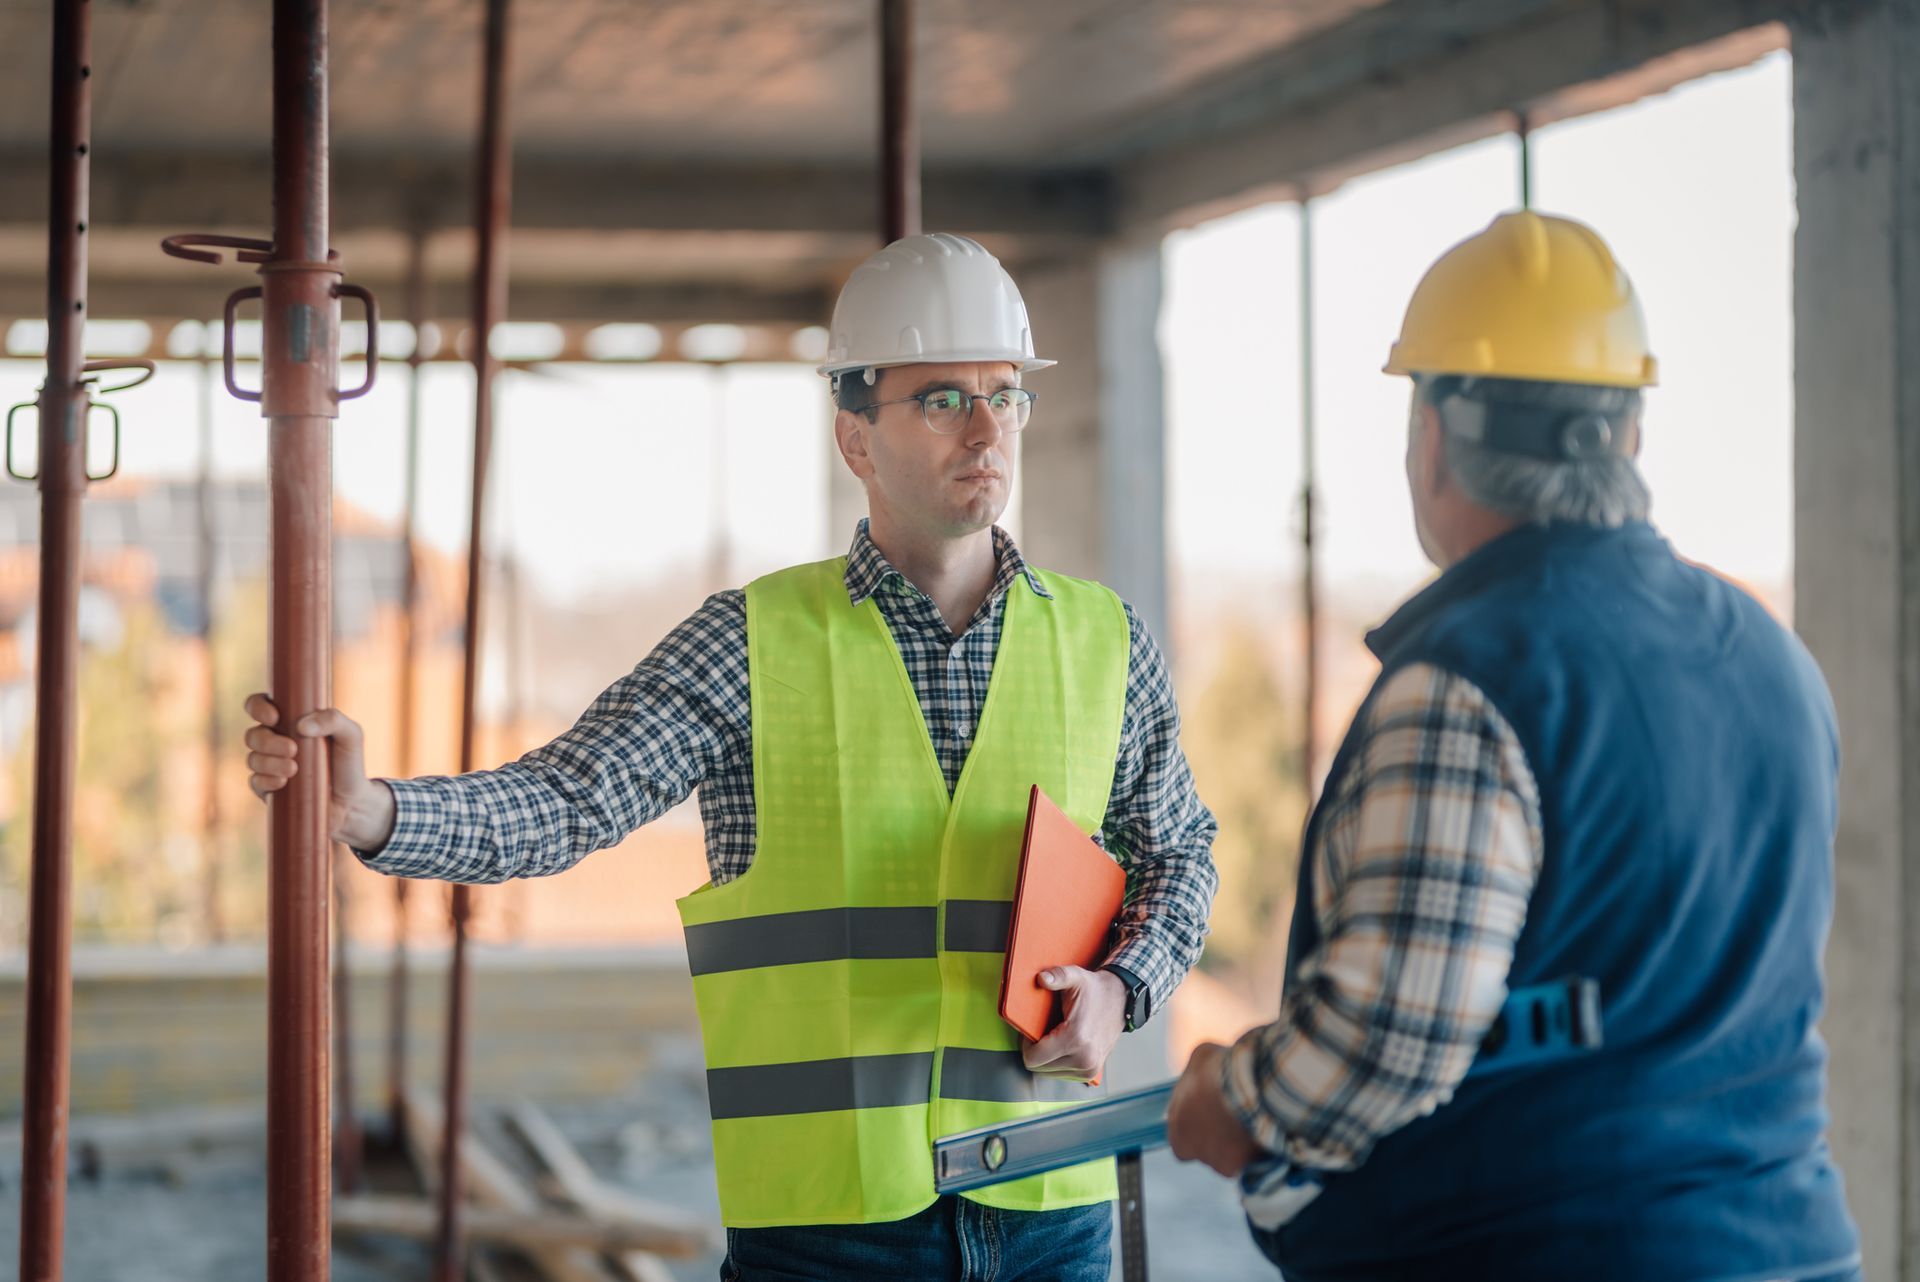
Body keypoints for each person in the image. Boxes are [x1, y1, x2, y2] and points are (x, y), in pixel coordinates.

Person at [245, 231, 1218, 1282]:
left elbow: (1182, 856)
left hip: (1053, 1207)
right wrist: (376, 812)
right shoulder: (752, 643)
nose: (987, 427)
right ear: (855, 434)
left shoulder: (1107, 640)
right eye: (942, 398)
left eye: (1005, 392)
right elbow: (574, 797)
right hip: (829, 1230)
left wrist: (1123, 987)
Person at [1164, 211, 1862, 1281]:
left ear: (1434, 436)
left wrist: (1232, 1098)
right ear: (1628, 434)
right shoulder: (1771, 657)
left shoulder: (1473, 681)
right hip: (1790, 1245)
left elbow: (1380, 1043)